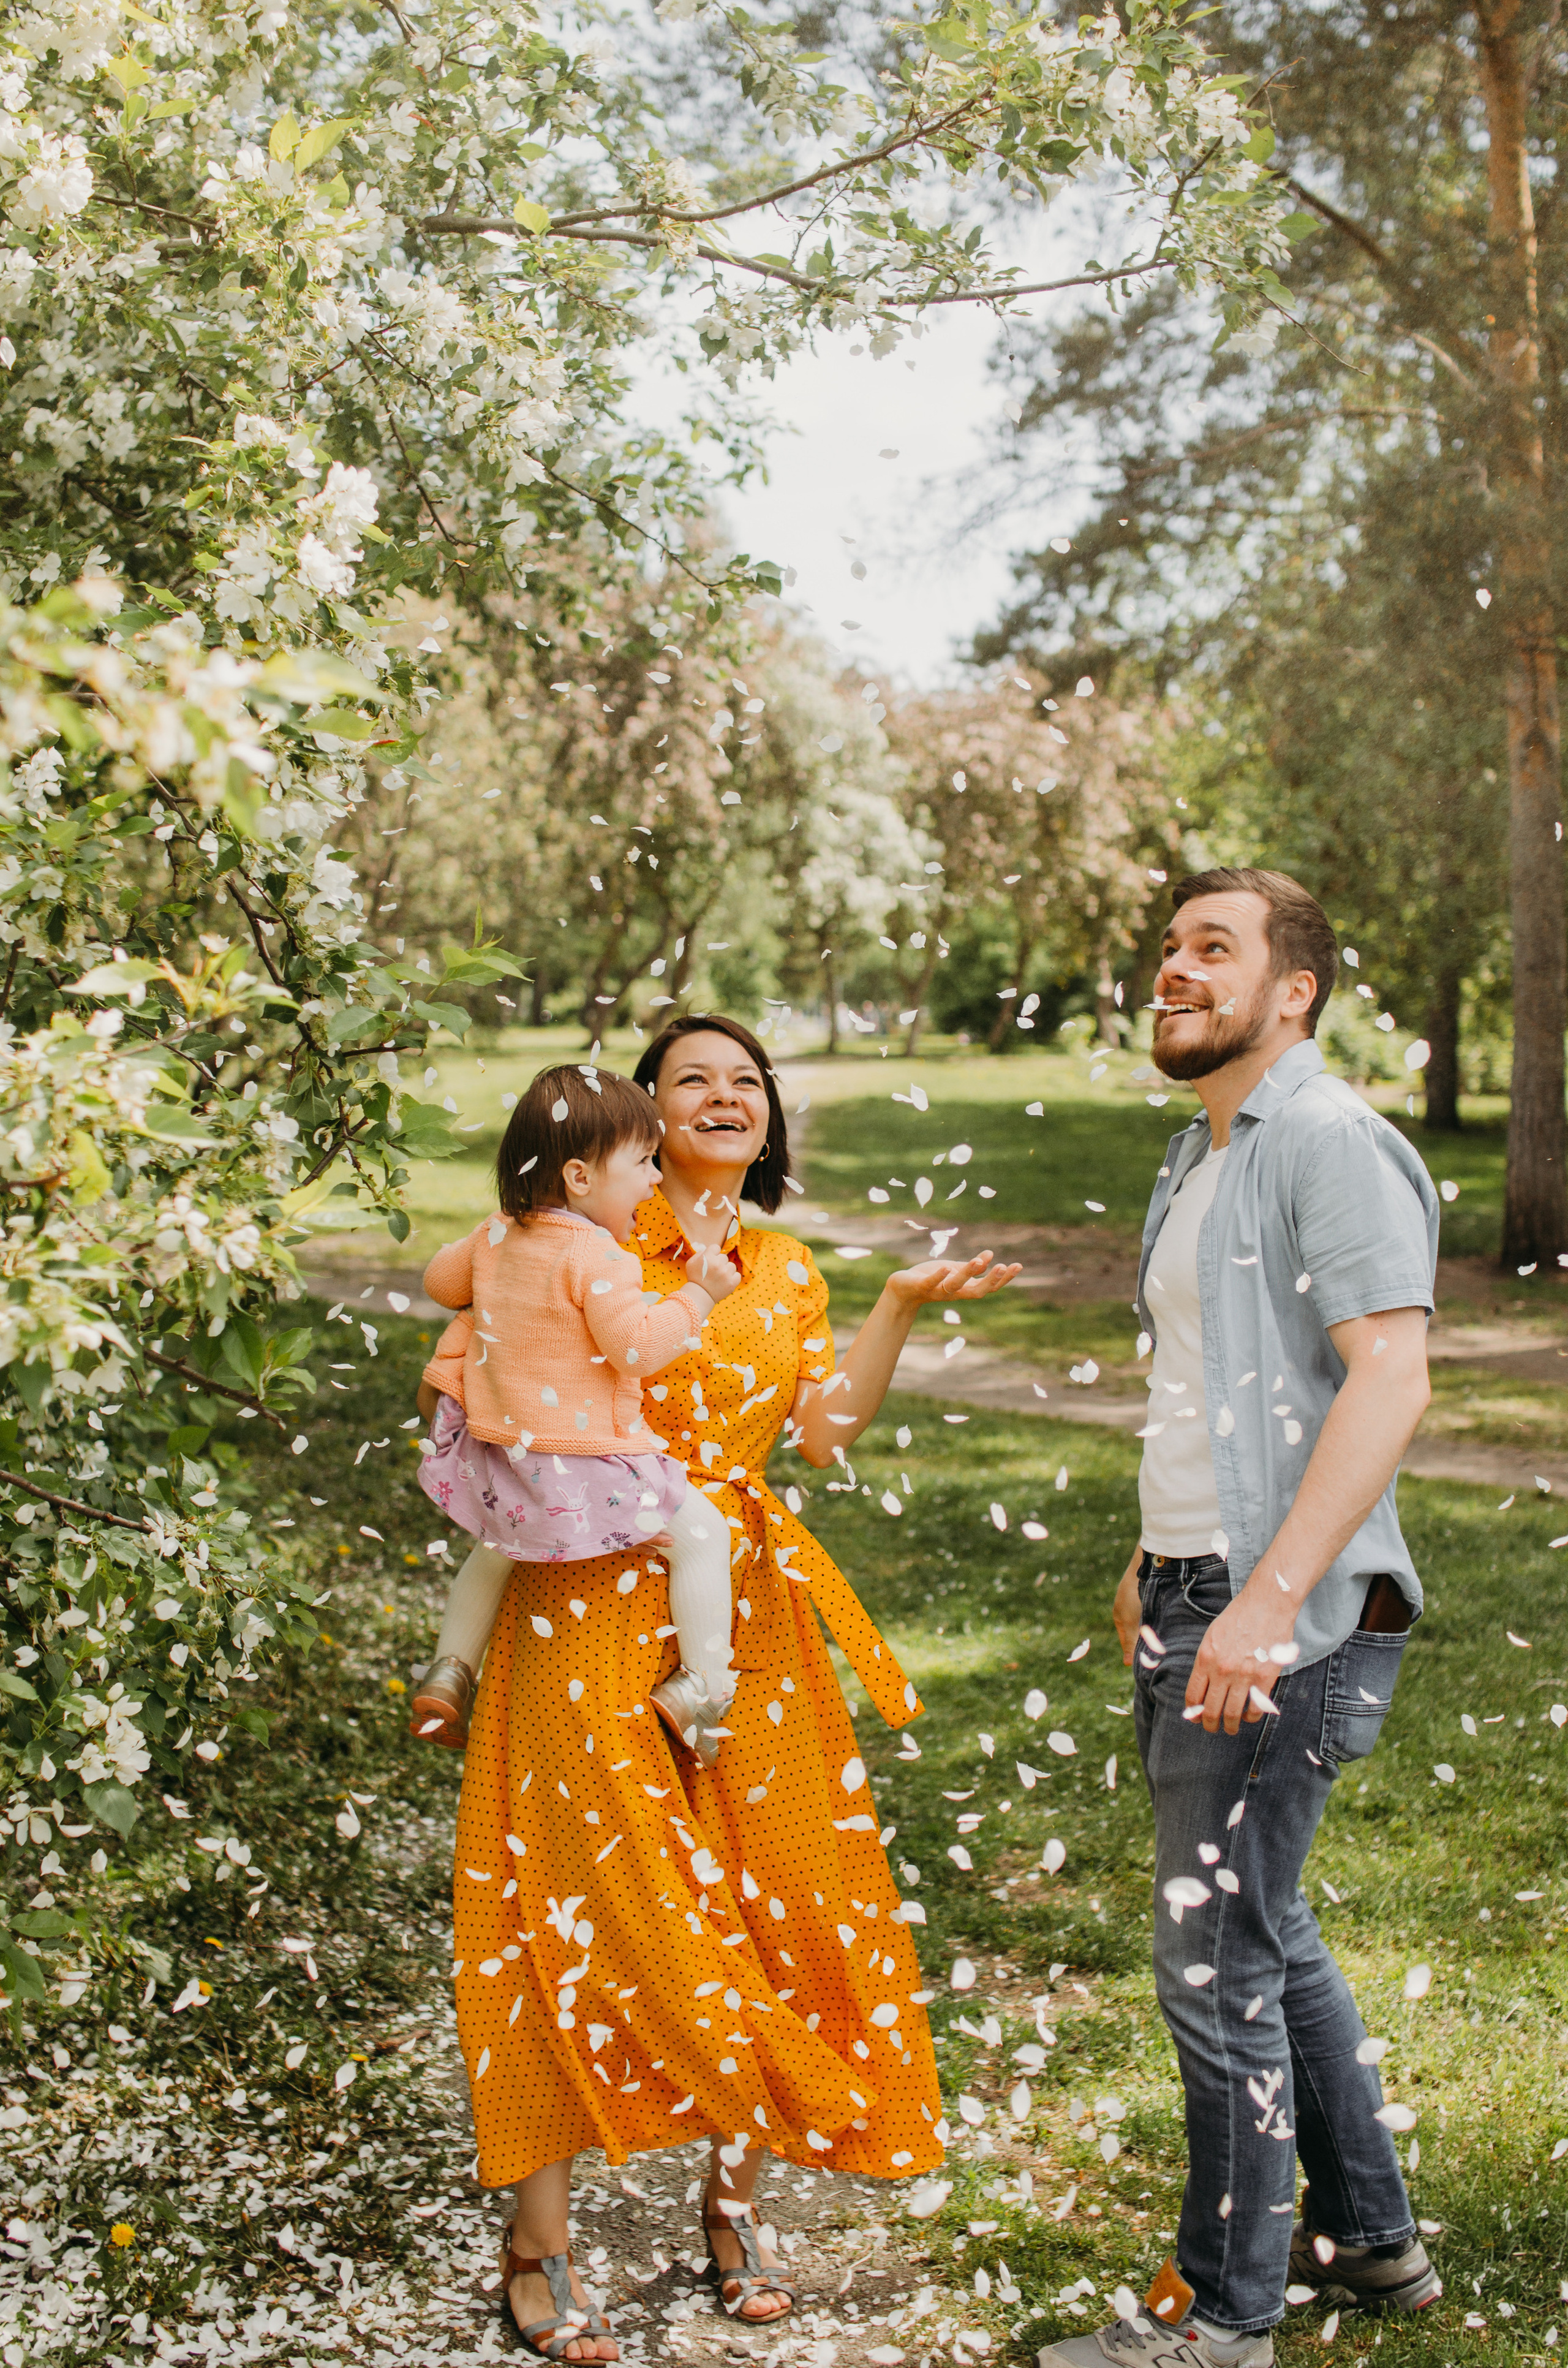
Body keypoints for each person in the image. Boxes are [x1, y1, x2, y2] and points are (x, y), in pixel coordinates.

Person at [451, 1013, 1020, 2361]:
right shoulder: (580, 1242)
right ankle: (540, 2238)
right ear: (634, 1125)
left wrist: (890, 1307)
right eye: (690, 1079)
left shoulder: (786, 1267)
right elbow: (487, 1364)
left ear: (769, 1118)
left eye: (745, 1081)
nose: (723, 1096)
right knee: (569, 1902)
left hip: (744, 1610)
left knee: (764, 1896)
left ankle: (731, 2203)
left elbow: (823, 1433)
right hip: (583, 1590)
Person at [1041, 869, 1441, 2368]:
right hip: (1196, 1580)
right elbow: (1210, 1387)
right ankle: (1374, 2246)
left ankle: (1224, 2321)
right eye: (1164, 948)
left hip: (1280, 1605)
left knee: (1212, 1963)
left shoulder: (1325, 1141)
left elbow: (1387, 1380)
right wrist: (1160, 1558)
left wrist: (1262, 1599)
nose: (1171, 971)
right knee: (1263, 1929)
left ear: (1293, 993)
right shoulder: (1194, 1154)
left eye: (1212, 949)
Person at [407, 1064, 742, 1764]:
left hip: (506, 1452)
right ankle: (703, 1691)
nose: (654, 1179)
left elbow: (442, 1283)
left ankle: (448, 1670)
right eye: (644, 1162)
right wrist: (698, 1298)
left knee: (495, 1546)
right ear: (581, 1179)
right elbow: (637, 1348)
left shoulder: (496, 1235)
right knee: (705, 1538)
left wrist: (487, 1239)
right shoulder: (600, 1256)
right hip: (584, 1459)